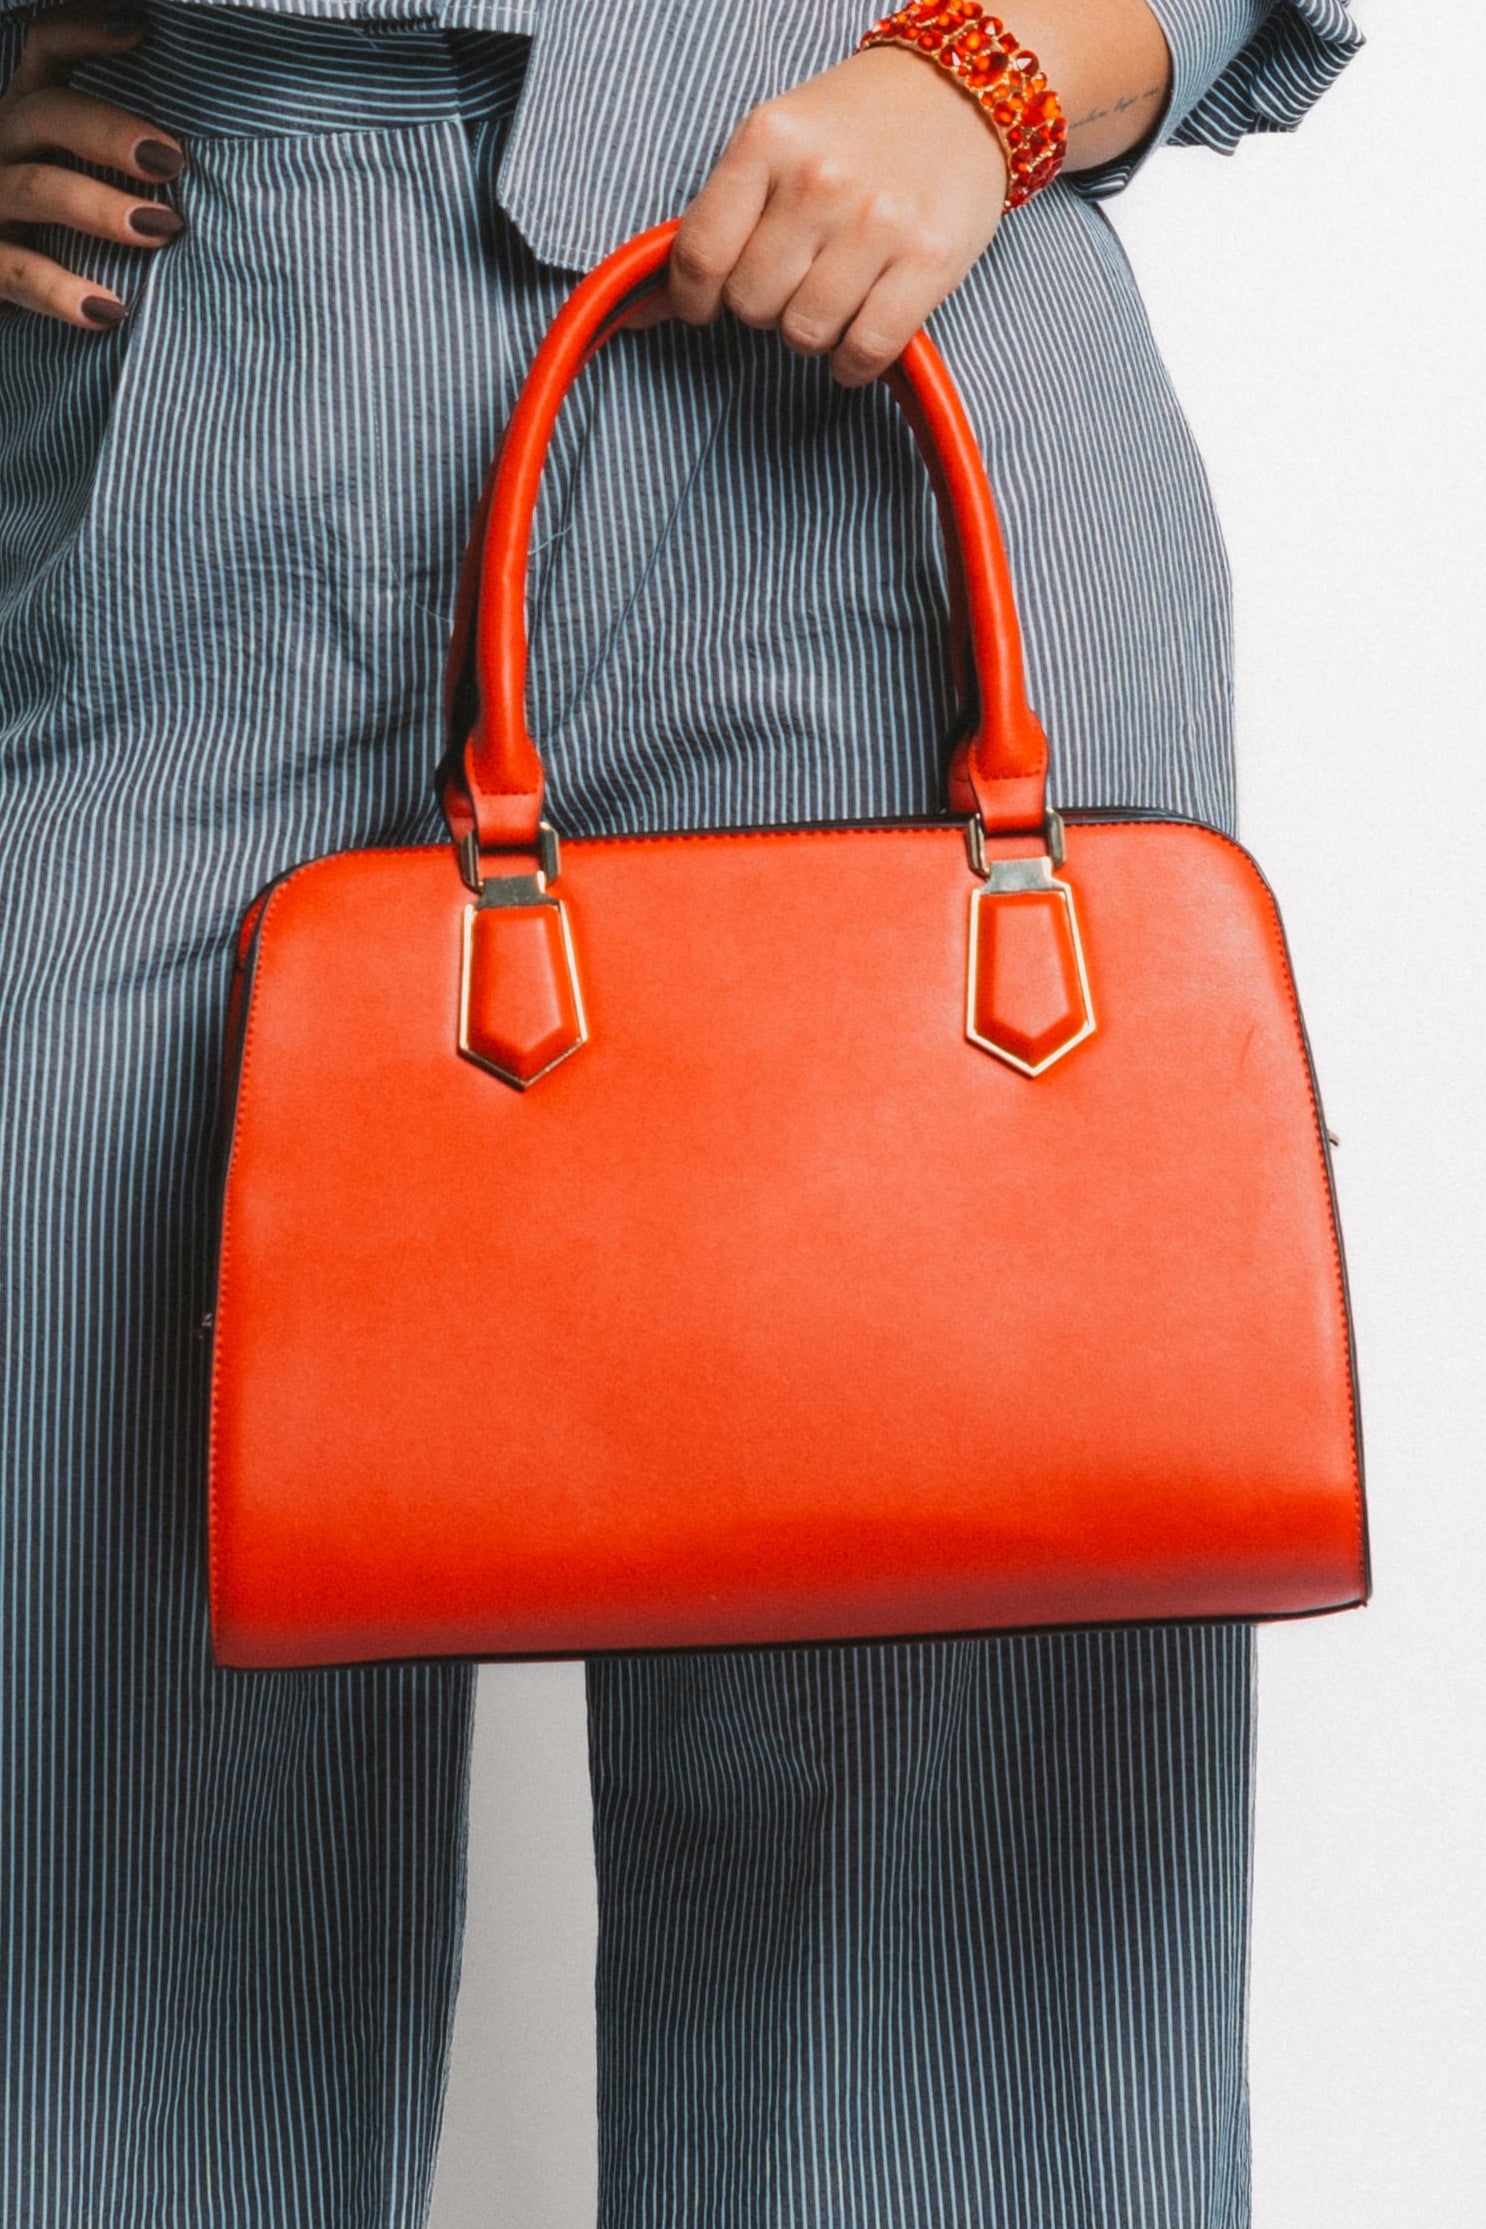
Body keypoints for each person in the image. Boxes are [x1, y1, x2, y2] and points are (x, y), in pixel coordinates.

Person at [0, 0, 1360, 2221]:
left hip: (888, 342)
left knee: (938, 1863)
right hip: (193, 348)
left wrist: (988, 78)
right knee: (81, 1718)